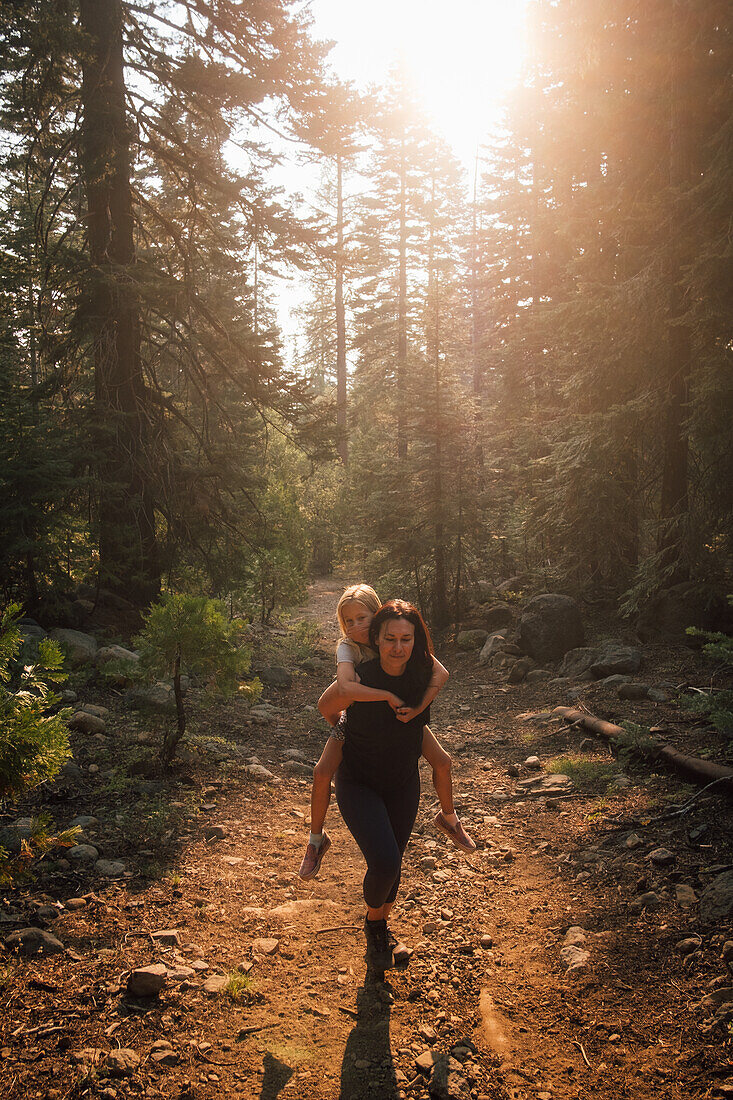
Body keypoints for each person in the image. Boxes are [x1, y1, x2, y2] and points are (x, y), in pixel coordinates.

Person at [298, 584, 475, 881]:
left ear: (377, 615)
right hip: (354, 721)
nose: (356, 627)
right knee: (321, 772)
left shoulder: (395, 636)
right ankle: (316, 840)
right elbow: (332, 700)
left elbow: (440, 672)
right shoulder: (349, 648)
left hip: (400, 722)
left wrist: (419, 708)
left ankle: (448, 818)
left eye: (362, 618)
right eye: (348, 621)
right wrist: (362, 721)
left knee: (443, 762)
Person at [328, 600, 441, 965]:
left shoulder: (420, 673)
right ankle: (374, 926)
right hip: (358, 781)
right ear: (376, 638)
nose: (397, 647)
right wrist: (341, 729)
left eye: (405, 639)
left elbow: (441, 676)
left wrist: (420, 705)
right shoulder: (360, 678)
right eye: (389, 638)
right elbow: (326, 705)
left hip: (403, 781)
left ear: (415, 641)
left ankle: (381, 926)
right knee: (385, 860)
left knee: (395, 860)